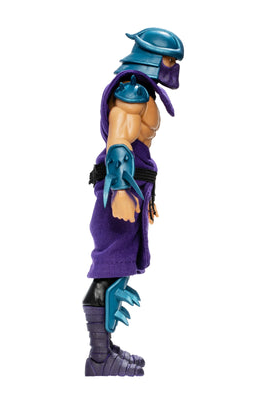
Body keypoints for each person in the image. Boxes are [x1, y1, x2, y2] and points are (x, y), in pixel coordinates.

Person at [83, 28, 184, 377]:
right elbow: (119, 143)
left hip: (133, 188)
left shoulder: (143, 89)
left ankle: (105, 349)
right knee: (110, 266)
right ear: (154, 57)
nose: (173, 67)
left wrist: (144, 194)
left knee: (120, 266)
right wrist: (122, 191)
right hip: (120, 189)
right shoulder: (132, 90)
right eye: (169, 59)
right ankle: (99, 359)